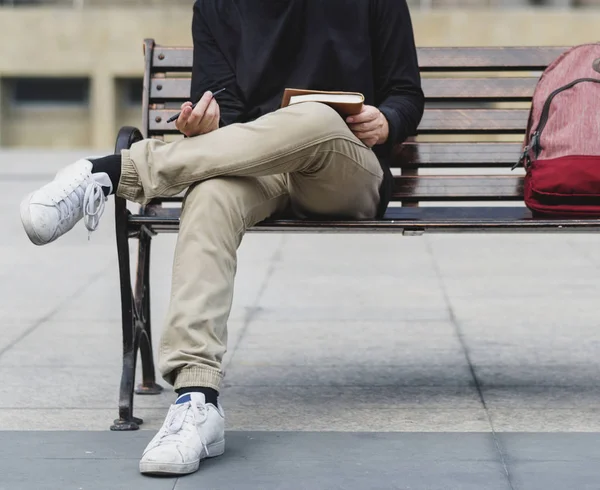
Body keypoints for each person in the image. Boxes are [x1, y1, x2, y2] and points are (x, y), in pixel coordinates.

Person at [19, 0, 424, 477]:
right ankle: (197, 400)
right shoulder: (218, 6)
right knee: (209, 193)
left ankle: (114, 173)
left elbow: (406, 94)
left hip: (343, 167)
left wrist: (388, 120)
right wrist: (206, 125)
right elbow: (225, 113)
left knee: (317, 118)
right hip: (259, 164)